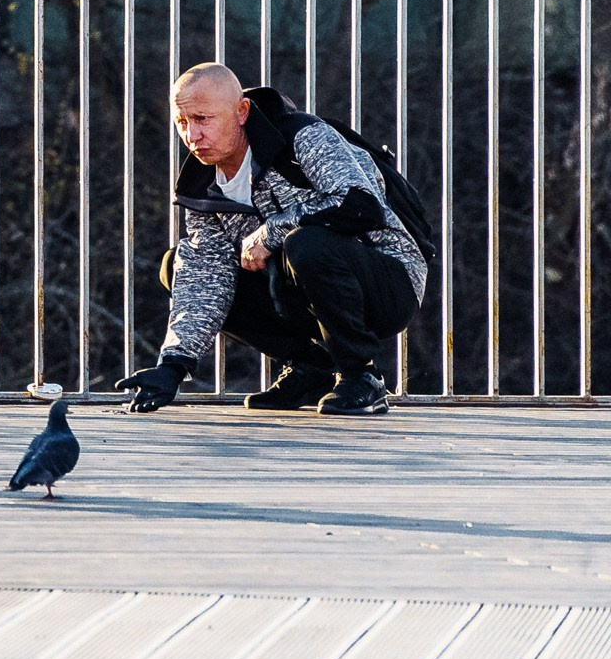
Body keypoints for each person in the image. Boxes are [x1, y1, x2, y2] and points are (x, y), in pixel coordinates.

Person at [116, 62, 427, 417]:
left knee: (305, 243)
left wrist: (273, 230)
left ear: (241, 112)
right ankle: (312, 368)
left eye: (203, 119)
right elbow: (205, 278)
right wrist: (173, 365)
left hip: (387, 282)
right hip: (301, 290)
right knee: (178, 264)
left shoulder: (301, 137)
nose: (192, 136)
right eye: (182, 122)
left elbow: (360, 204)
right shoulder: (200, 184)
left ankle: (361, 377)